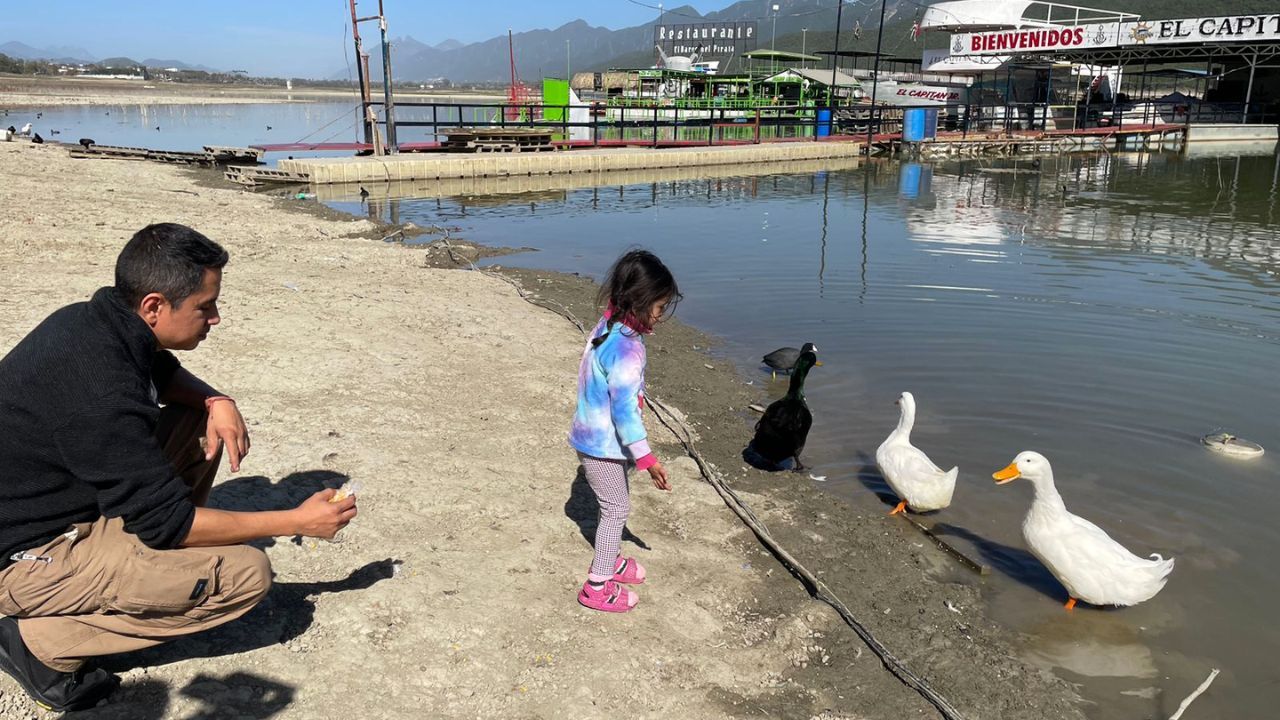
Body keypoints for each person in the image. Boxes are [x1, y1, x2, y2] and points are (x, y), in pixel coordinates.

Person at [0, 223, 358, 712]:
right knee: (247, 574)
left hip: (51, 508)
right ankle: (39, 643)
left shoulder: (91, 320)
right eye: (205, 306)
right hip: (23, 560)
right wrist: (298, 521)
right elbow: (171, 523)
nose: (215, 318)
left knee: (194, 419)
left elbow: (160, 371)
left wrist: (216, 399)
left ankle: (142, 562)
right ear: (152, 306)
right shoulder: (101, 394)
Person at [568, 249, 681, 613]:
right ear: (641, 302)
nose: (661, 317)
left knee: (614, 503)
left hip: (589, 436)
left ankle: (611, 557)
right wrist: (648, 460)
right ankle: (597, 585)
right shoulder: (627, 349)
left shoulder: (607, 327)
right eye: (660, 308)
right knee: (617, 508)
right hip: (601, 443)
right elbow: (624, 415)